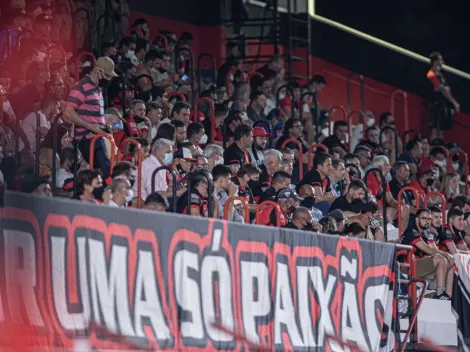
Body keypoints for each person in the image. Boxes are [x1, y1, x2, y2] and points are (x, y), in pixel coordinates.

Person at [63, 57, 118, 179]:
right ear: (98, 72)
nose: (109, 80)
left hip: (97, 137)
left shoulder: (96, 88)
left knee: (103, 174)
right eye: (107, 76)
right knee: (105, 173)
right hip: (87, 139)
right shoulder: (81, 86)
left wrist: (104, 125)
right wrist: (90, 126)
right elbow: (67, 112)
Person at [401, 208, 453, 300]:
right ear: (417, 219)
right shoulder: (412, 230)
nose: (427, 222)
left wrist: (443, 255)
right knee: (440, 259)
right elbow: (426, 248)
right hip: (406, 267)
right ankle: (439, 293)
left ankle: (442, 292)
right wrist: (445, 254)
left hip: (417, 265)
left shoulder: (427, 232)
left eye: (429, 219)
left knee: (451, 262)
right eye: (424, 219)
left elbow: (433, 248)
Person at [427, 52, 459, 140]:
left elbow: (446, 89)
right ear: (435, 61)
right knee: (435, 130)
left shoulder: (441, 75)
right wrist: (454, 103)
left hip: (443, 106)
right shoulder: (430, 74)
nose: (442, 62)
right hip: (436, 106)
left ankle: (440, 151)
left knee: (441, 131)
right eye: (440, 60)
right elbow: (442, 89)